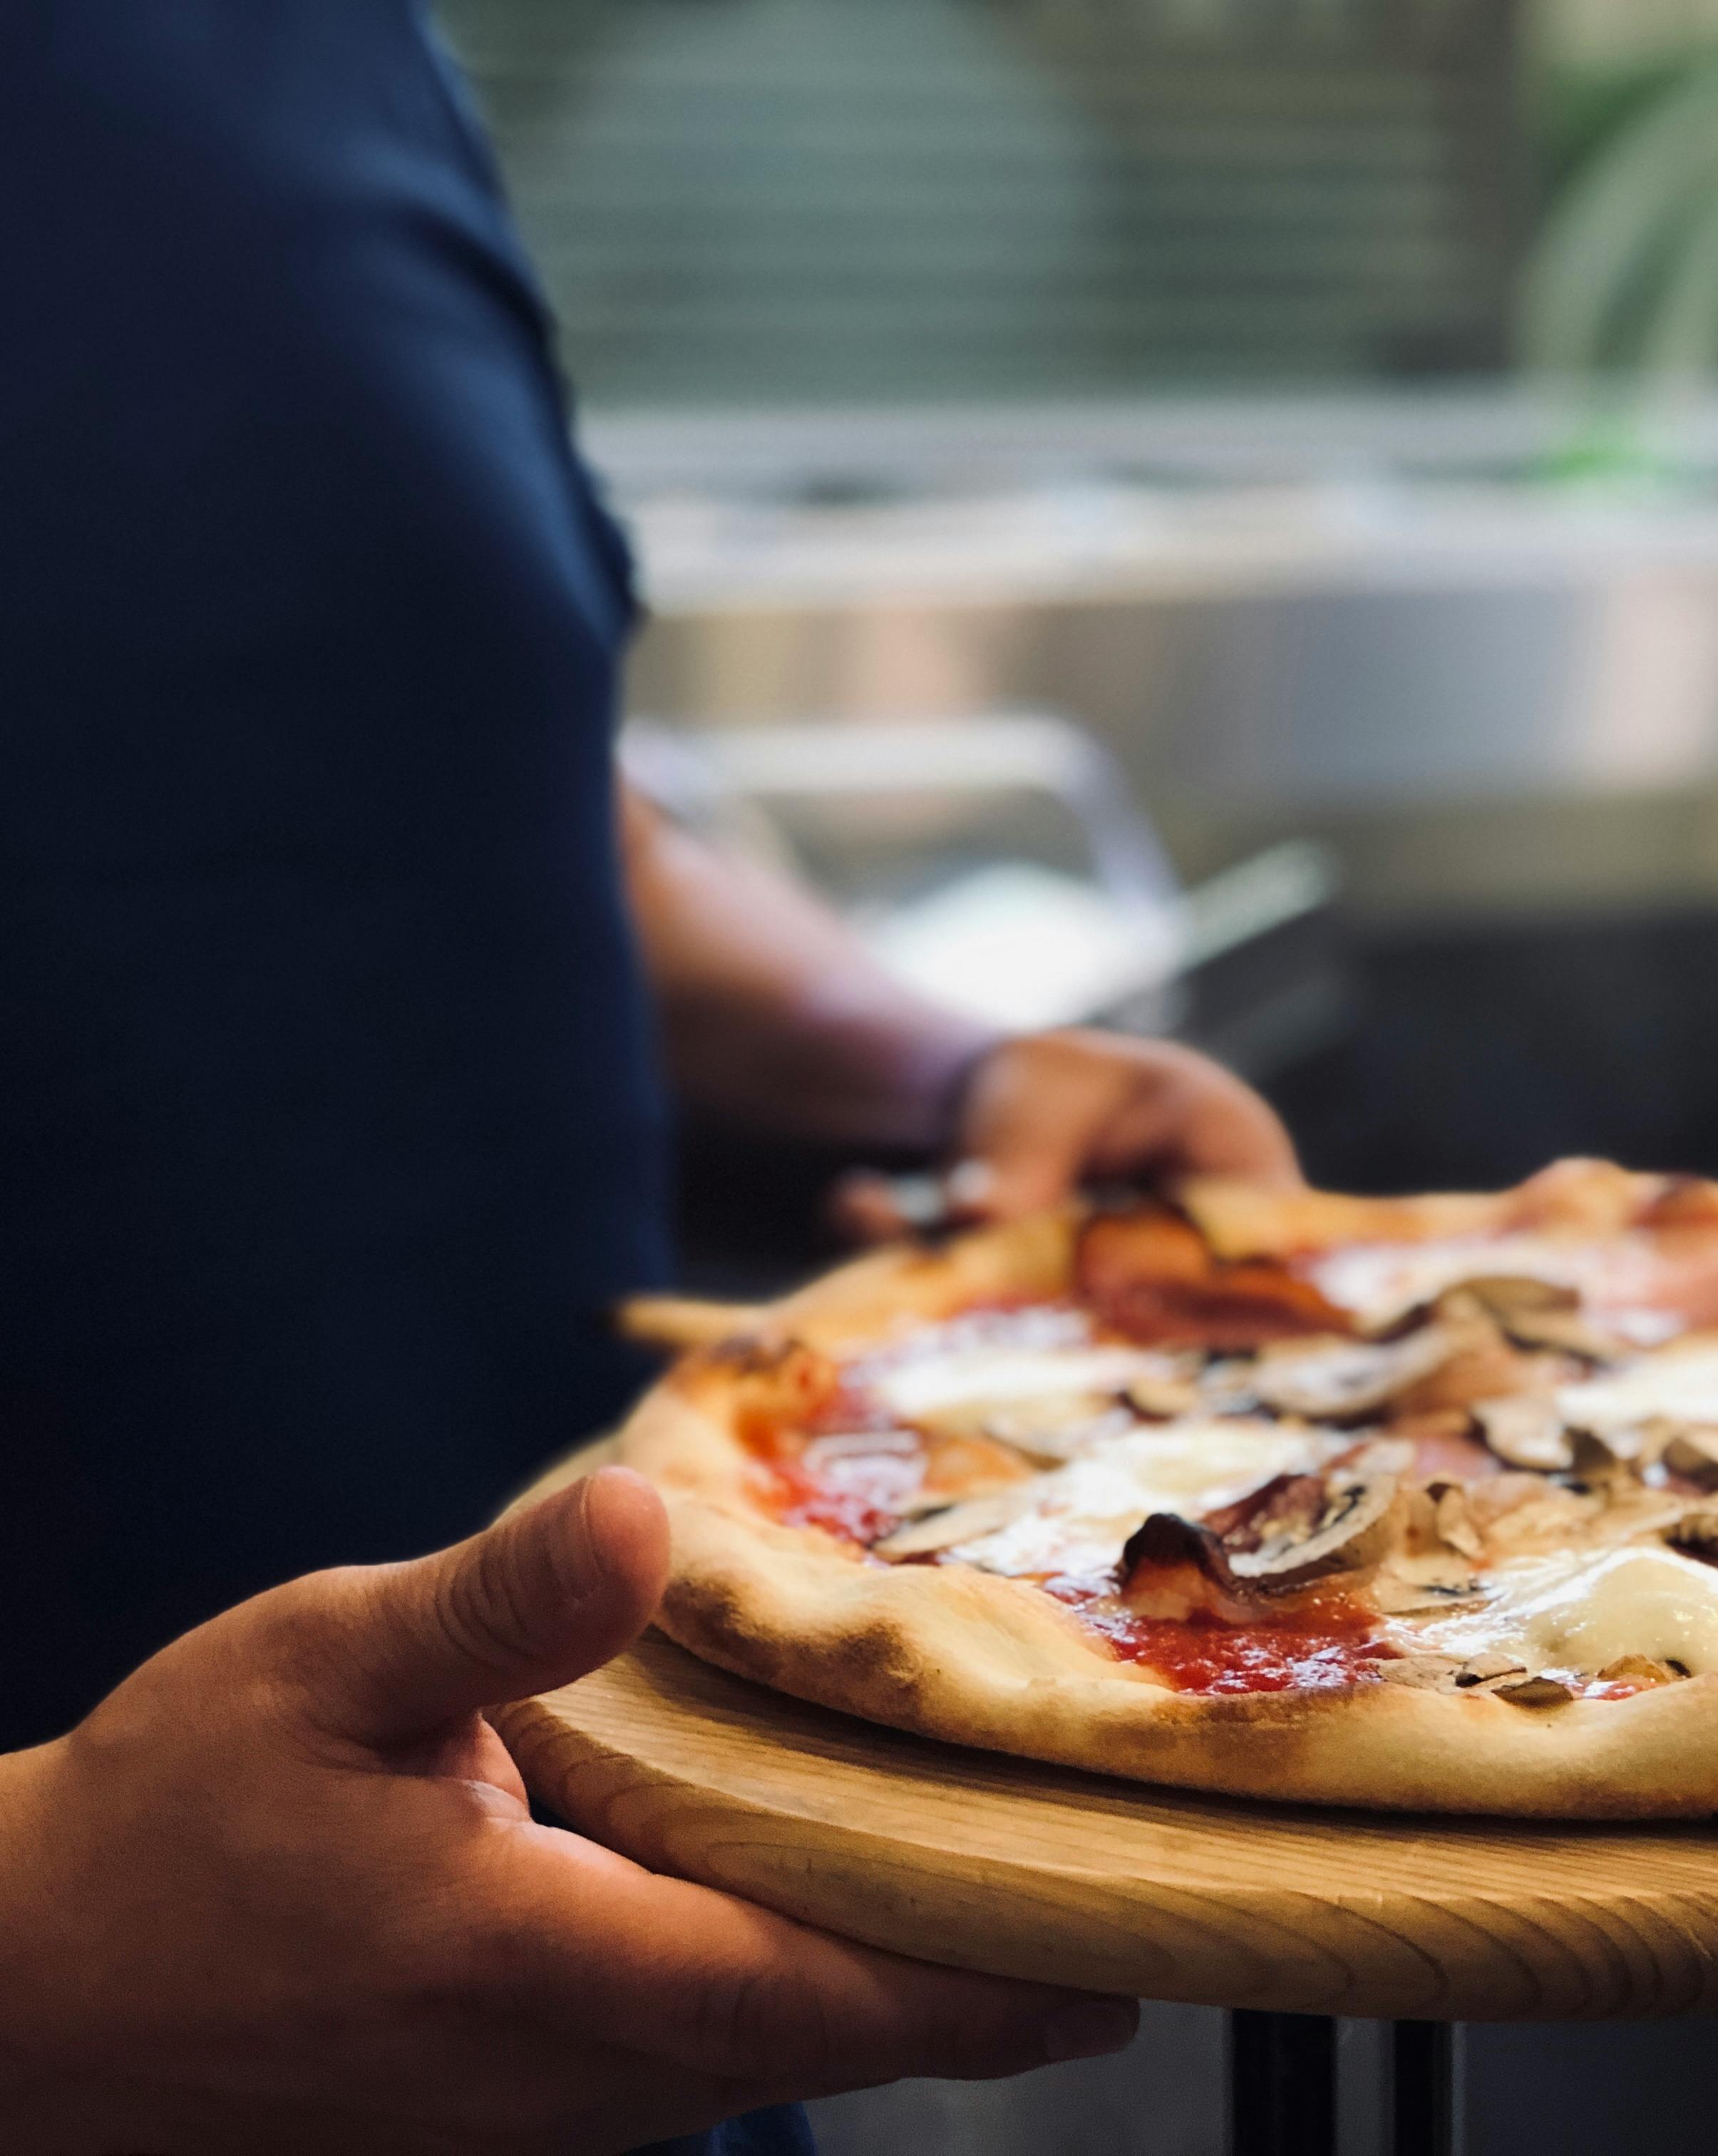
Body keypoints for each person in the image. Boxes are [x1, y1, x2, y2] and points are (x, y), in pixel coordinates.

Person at [0, 4, 1298, 2148]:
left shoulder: (318, 45)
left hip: (606, 1989)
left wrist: (940, 1073)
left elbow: (468, 784)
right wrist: (40, 1952)